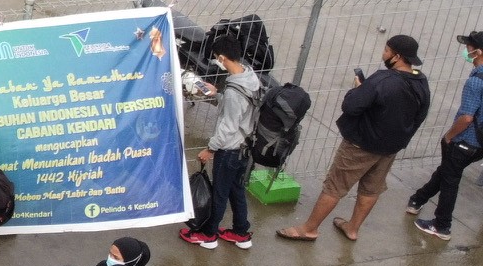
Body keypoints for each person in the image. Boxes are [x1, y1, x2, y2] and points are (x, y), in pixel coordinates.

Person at [281, 35, 432, 243]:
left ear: (397, 56)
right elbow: (421, 114)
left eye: (386, 51)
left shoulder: (382, 79)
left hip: (360, 145)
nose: (383, 54)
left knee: (335, 186)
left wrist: (358, 88)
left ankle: (309, 228)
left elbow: (351, 106)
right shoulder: (420, 80)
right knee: (371, 188)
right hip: (390, 148)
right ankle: (352, 228)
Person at [183, 32, 262, 251]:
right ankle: (240, 232)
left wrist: (211, 149)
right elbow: (238, 108)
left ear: (222, 58)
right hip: (244, 148)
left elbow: (228, 125)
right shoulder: (249, 76)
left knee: (219, 193)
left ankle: (208, 234)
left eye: (217, 57)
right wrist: (218, 94)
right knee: (236, 190)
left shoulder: (235, 91)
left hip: (229, 150)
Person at [409, 29, 483, 239]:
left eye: (469, 47)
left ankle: (442, 225)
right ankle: (418, 198)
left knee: (450, 179)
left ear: (478, 52)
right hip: (480, 144)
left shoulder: (476, 81)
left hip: (465, 142)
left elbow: (467, 118)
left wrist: (449, 136)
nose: (466, 50)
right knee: (447, 170)